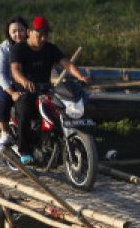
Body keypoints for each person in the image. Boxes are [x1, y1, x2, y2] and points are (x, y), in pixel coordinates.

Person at [9, 15, 90, 165]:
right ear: (29, 32)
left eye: (45, 34)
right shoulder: (19, 49)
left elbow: (67, 64)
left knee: (62, 111)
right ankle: (24, 150)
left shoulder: (50, 48)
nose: (43, 38)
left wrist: (81, 76)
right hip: (25, 92)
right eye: (40, 34)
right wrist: (24, 81)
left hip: (45, 90)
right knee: (25, 112)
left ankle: (58, 144)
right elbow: (15, 70)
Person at [0, 15, 28, 147]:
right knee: (5, 100)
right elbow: (0, 74)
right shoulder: (4, 48)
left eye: (21, 30)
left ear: (27, 30)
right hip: (5, 84)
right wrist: (12, 92)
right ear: (9, 33)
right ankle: (4, 131)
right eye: (14, 31)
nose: (18, 34)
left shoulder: (31, 45)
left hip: (22, 82)